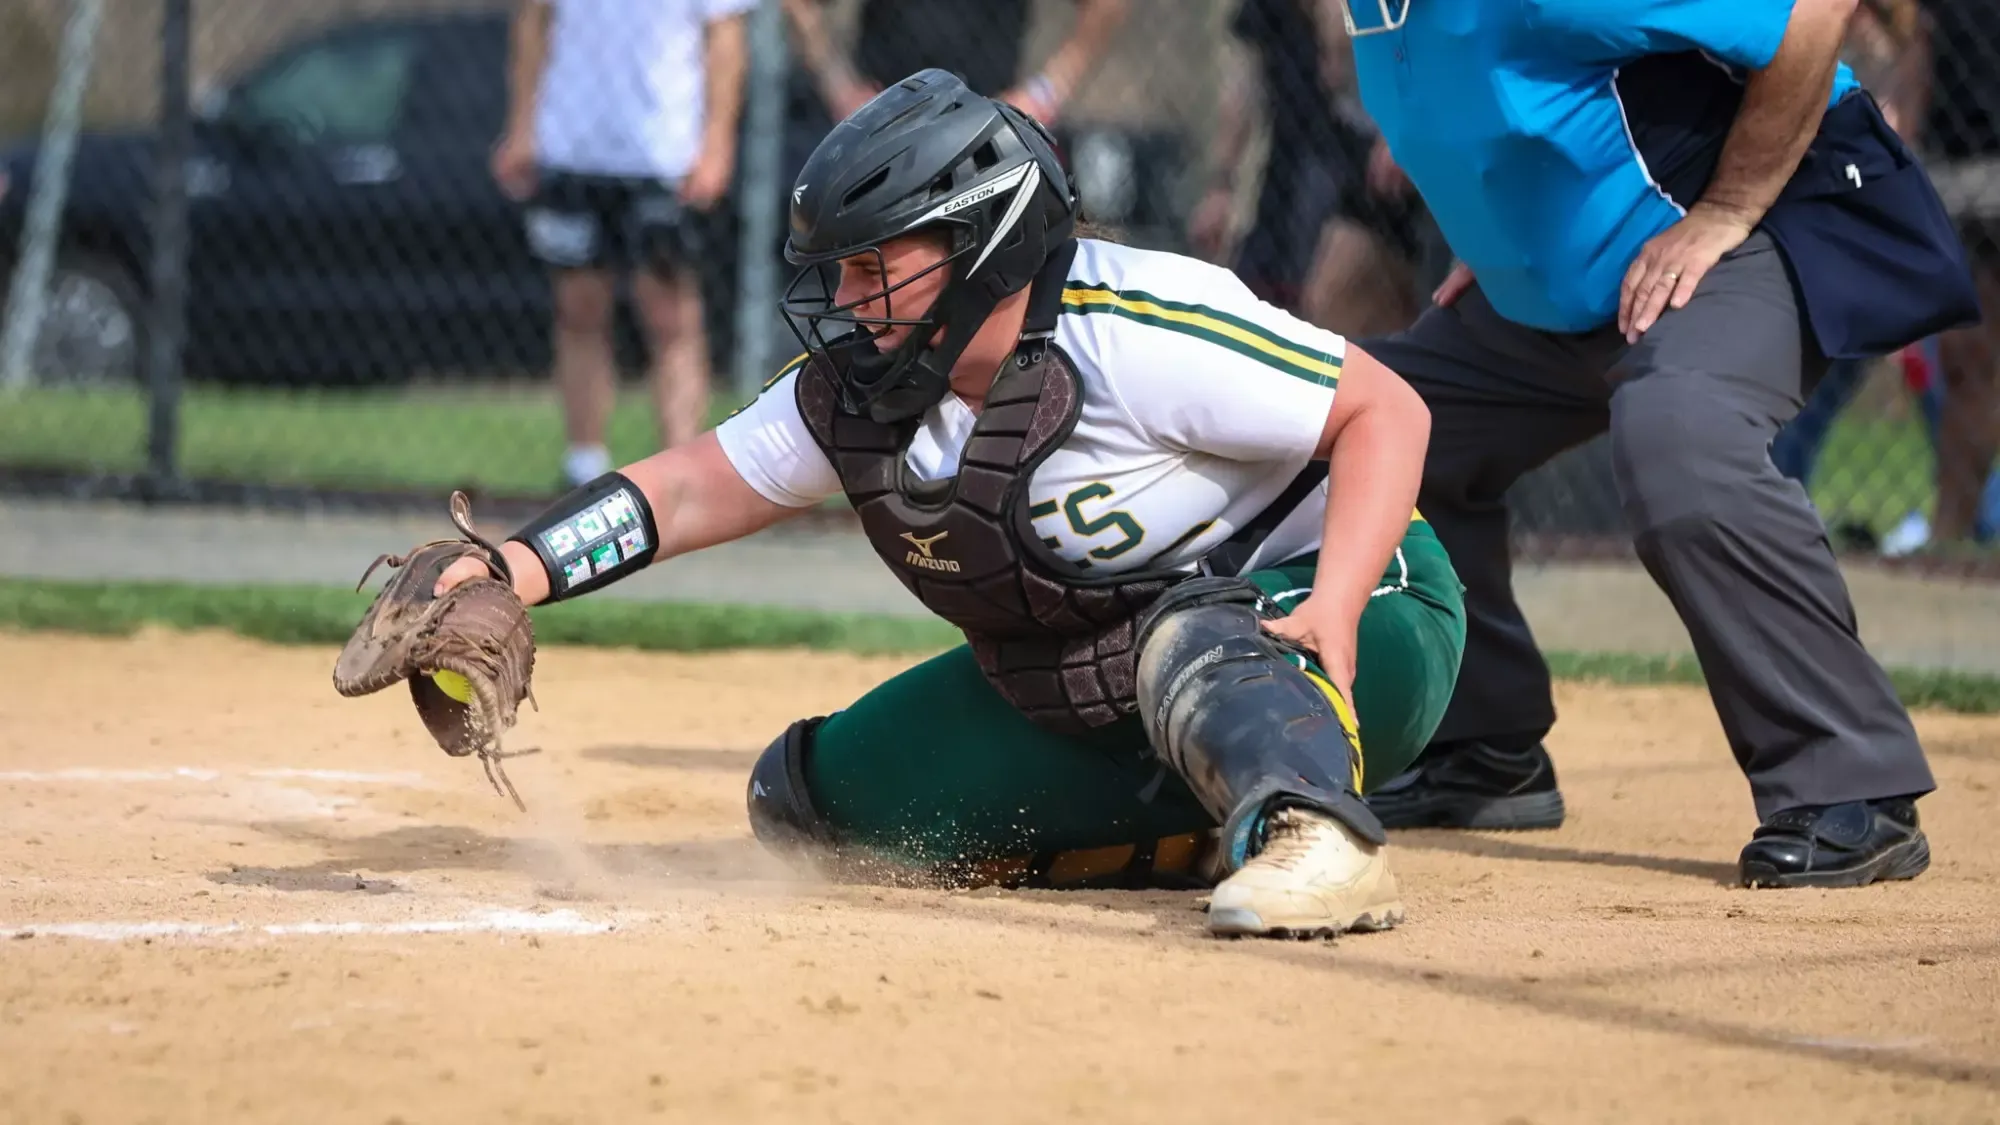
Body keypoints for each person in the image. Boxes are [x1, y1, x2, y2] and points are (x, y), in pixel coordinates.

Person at [430, 70, 1466, 939]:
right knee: (816, 807)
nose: (845, 301)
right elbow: (691, 485)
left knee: (1190, 634)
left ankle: (1318, 831)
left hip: (1352, 620)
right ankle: (1203, 824)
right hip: (1092, 679)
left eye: (874, 265)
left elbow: (1387, 411)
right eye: (836, 270)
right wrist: (508, 570)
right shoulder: (869, 388)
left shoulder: (1134, 323)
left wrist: (1333, 603)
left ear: (983, 245)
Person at [1334, 0, 1980, 887]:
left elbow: (1812, 12)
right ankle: (1478, 746)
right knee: (1370, 423)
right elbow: (1480, 105)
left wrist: (1729, 206)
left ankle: (1854, 784)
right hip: (1577, 284)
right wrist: (1506, 241)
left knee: (1681, 438)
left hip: (1762, 224)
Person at [491, 0, 753, 489]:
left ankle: (679, 473)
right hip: (572, 147)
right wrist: (523, 126)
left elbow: (726, 36)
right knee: (579, 309)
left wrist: (717, 143)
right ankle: (583, 468)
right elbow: (533, 20)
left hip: (664, 153)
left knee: (670, 315)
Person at [1188, 0, 1427, 339]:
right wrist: (1221, 185)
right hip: (1295, 170)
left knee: (1347, 297)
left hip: (1375, 159)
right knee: (1259, 307)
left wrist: (1403, 129)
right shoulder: (1267, 16)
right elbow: (1243, 85)